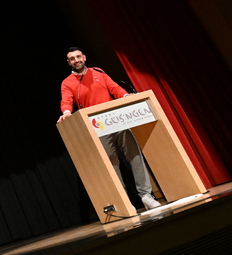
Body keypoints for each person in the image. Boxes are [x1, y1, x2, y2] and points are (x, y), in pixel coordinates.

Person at [58, 47, 161, 210]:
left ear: (84, 57)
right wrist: (66, 112)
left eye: (78, 56)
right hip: (97, 126)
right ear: (69, 62)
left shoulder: (98, 72)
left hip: (117, 119)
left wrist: (126, 96)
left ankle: (146, 196)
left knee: (135, 156)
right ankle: (125, 202)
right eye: (72, 58)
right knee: (112, 164)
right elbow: (66, 100)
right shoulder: (68, 82)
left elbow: (114, 88)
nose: (76, 60)